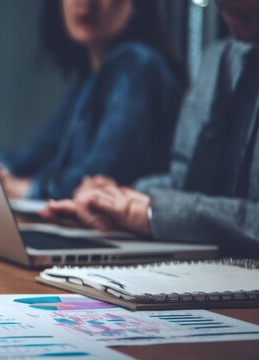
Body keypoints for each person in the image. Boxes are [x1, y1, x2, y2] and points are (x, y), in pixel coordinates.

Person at [42, 0, 259, 253]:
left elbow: (91, 168)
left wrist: (149, 211)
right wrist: (126, 196)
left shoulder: (137, 65)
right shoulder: (220, 59)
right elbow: (189, 185)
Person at [0, 0, 187, 200]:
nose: (85, 1)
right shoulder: (89, 80)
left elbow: (101, 175)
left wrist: (31, 189)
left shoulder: (137, 64)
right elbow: (33, 155)